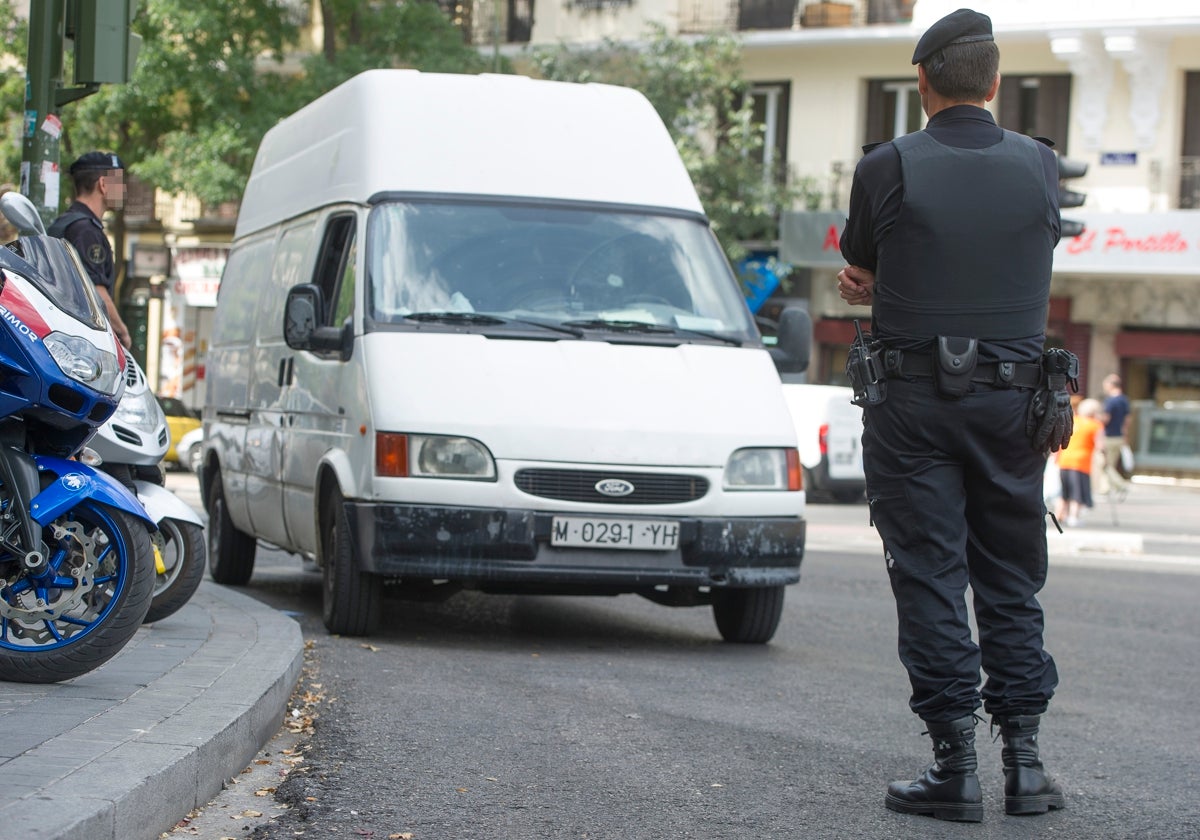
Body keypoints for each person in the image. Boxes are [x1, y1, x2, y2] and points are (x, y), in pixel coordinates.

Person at [837, 8, 1070, 823]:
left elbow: (861, 261)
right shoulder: (1040, 166)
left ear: (923, 82)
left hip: (914, 403)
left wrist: (866, 282)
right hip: (1017, 403)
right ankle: (1028, 766)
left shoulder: (888, 165)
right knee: (1012, 575)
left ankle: (955, 769)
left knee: (932, 573)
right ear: (996, 83)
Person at [49, 151, 133, 349]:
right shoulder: (86, 230)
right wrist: (121, 330)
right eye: (119, 183)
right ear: (103, 185)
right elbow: (96, 290)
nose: (124, 190)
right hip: (78, 342)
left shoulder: (65, 223)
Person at [1055, 397, 1104, 526]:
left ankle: (1060, 514)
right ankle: (1073, 516)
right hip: (1081, 462)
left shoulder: (1073, 421)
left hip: (1064, 459)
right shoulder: (1095, 425)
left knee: (1064, 490)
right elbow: (1100, 445)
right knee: (1077, 492)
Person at [1101, 374, 1132, 496]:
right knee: (1110, 464)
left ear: (1110, 385)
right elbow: (1128, 419)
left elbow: (1106, 419)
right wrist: (1124, 433)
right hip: (1119, 436)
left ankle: (1120, 485)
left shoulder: (1111, 401)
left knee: (1104, 464)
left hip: (1108, 436)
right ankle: (1106, 488)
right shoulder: (1124, 400)